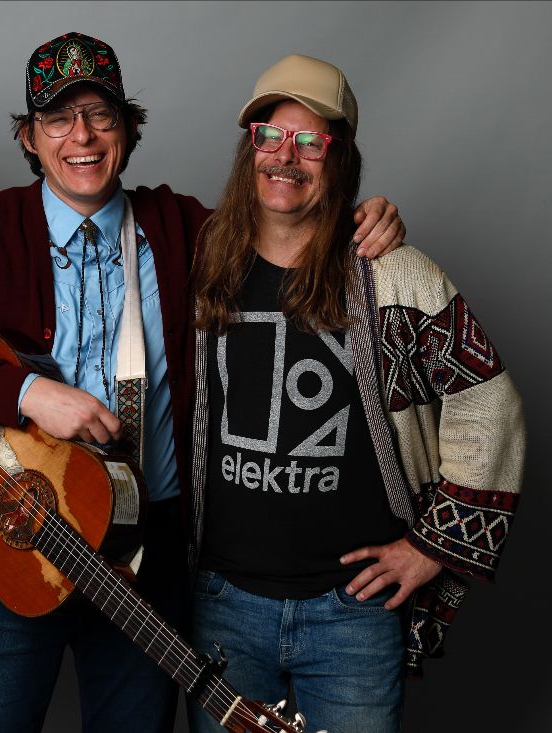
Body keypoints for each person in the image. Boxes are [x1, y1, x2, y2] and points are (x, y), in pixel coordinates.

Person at [0, 32, 403, 733]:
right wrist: (31, 395)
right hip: (18, 534)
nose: (82, 136)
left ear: (127, 129)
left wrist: (363, 217)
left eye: (101, 115)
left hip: (145, 549)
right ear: (29, 137)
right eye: (58, 119)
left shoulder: (188, 229)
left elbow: (289, 221)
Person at [185, 54, 525, 733]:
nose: (286, 156)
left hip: (351, 615)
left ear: (339, 159)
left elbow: (490, 402)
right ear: (249, 148)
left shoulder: (393, 274)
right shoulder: (201, 260)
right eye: (270, 136)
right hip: (223, 602)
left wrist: (432, 546)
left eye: (311, 141)